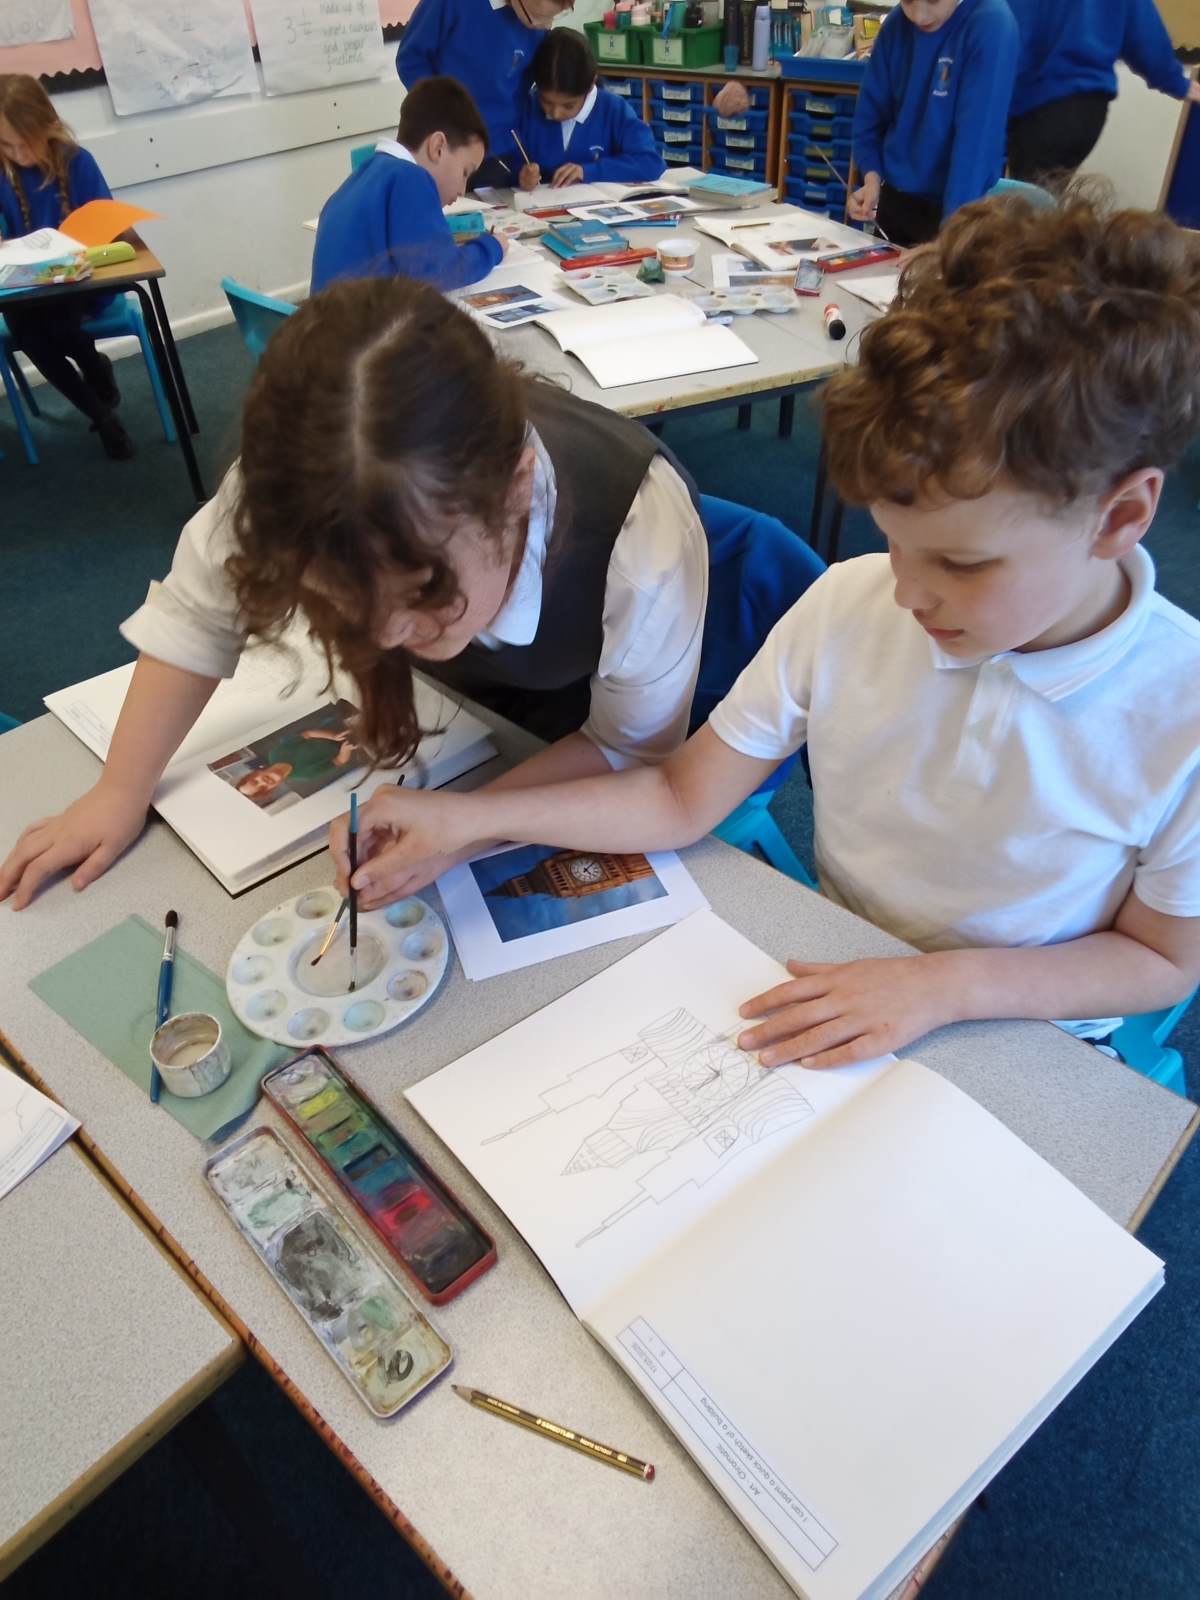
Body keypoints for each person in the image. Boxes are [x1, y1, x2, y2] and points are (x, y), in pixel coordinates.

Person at [328, 192, 1200, 1069]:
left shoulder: (1182, 714)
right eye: (892, 542)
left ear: (1120, 516)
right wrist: (467, 821)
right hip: (836, 965)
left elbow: (1161, 960)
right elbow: (678, 797)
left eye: (961, 564)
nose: (906, 592)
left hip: (1026, 1030)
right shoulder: (846, 606)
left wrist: (941, 987)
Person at [0, 274, 709, 909]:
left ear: (515, 490)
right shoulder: (302, 478)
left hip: (571, 725)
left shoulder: (644, 539)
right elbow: (197, 616)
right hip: (457, 718)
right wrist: (120, 790)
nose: (386, 637)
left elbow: (630, 751)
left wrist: (468, 825)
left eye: (425, 596)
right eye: (343, 602)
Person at [0, 74, 134, 460]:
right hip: (26, 289)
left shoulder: (78, 162)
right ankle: (101, 417)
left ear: (49, 126)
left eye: (25, 143)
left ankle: (93, 364)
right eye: (6, 145)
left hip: (80, 285)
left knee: (56, 326)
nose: (18, 153)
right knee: (29, 335)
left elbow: (109, 224)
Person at [848, 0, 1019, 247]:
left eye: (933, 0)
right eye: (908, 0)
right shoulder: (897, 23)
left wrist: (947, 242)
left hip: (959, 209)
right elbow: (869, 116)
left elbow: (975, 148)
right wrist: (872, 178)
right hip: (896, 203)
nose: (920, 16)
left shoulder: (991, 24)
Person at [311, 77, 504, 294]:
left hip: (330, 314)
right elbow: (439, 272)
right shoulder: (410, 178)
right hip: (366, 316)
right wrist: (492, 248)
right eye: (465, 172)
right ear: (438, 147)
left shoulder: (362, 176)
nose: (462, 189)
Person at [1006, 0, 1200, 184]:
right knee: (1044, 197)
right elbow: (1142, 26)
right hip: (1088, 110)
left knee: (1021, 201)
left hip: (1037, 104)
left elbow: (1012, 33)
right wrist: (1175, 82)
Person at [397, 0, 574, 188]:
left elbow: (523, 87)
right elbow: (411, 60)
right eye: (538, 17)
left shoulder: (537, 26)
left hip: (498, 152)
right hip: (442, 143)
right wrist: (442, 112)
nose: (544, 26)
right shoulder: (452, 5)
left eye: (552, 17)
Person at [502, 28, 662, 190]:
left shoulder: (614, 110)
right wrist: (522, 176)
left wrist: (588, 171)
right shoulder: (528, 108)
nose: (555, 113)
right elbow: (506, 165)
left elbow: (650, 163)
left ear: (591, 83)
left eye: (568, 105)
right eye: (546, 101)